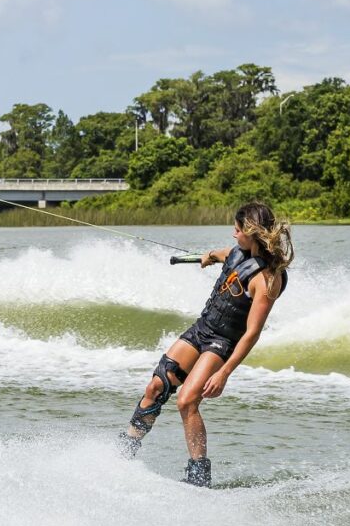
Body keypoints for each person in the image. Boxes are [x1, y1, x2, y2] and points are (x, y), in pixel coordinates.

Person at [116, 201, 294, 487]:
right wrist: (208, 256)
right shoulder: (238, 252)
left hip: (222, 343)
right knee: (157, 385)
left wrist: (223, 373)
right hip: (202, 329)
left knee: (187, 401)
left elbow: (252, 334)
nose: (233, 234)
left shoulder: (268, 280)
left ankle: (199, 478)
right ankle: (124, 452)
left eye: (237, 230)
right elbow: (222, 254)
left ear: (252, 233)